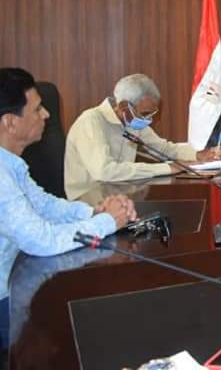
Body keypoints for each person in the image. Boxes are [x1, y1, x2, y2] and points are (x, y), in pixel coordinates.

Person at [0, 68, 135, 353]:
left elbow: (46, 205)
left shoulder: (10, 164)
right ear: (10, 122)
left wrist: (94, 213)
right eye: (37, 109)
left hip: (16, 282)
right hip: (4, 301)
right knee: (89, 328)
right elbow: (41, 239)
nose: (47, 115)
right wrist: (107, 222)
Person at [64, 74, 221, 200]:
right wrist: (168, 168)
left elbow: (163, 149)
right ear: (124, 106)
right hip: (87, 202)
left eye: (152, 114)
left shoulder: (132, 120)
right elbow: (104, 171)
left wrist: (197, 155)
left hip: (120, 195)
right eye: (146, 113)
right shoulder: (91, 121)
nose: (149, 120)